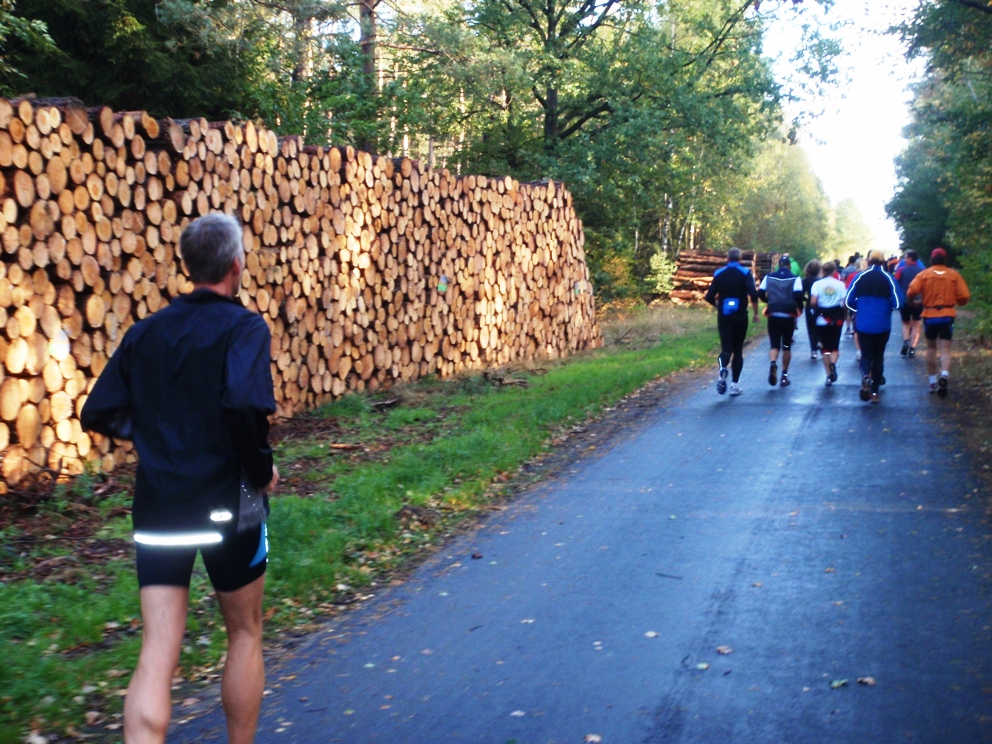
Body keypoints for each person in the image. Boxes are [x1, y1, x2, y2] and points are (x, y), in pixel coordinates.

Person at [81, 213, 279, 744]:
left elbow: (97, 411)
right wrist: (263, 471)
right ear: (237, 264)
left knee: (157, 648)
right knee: (245, 631)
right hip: (231, 504)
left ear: (188, 267)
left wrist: (157, 439)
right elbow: (243, 404)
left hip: (160, 505)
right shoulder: (246, 327)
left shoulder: (145, 332)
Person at [906, 247, 971, 397]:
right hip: (947, 314)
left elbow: (911, 291)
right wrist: (959, 302)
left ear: (931, 259)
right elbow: (965, 295)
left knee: (930, 348)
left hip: (929, 315)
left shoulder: (924, 274)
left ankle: (932, 382)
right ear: (945, 259)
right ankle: (945, 375)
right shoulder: (953, 275)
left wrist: (912, 301)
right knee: (945, 349)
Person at [845, 250, 901, 403]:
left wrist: (859, 308)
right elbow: (897, 302)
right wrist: (887, 306)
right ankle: (875, 393)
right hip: (882, 325)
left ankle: (865, 376)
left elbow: (848, 300)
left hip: (863, 324)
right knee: (878, 358)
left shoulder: (859, 277)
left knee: (866, 355)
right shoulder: (888, 278)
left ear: (869, 262)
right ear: (883, 262)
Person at [705, 247, 759, 396]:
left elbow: (709, 296)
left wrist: (718, 306)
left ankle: (722, 369)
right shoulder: (746, 273)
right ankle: (734, 385)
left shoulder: (719, 273)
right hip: (740, 315)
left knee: (726, 349)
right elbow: (753, 294)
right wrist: (755, 313)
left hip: (724, 316)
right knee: (738, 351)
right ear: (740, 259)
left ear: (727, 259)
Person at [758, 255, 804, 387]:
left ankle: (773, 363)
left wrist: (769, 302)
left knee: (774, 345)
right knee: (786, 346)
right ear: (789, 266)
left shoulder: (769, 277)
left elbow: (760, 293)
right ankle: (784, 376)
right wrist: (799, 307)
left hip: (773, 314)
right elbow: (798, 295)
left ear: (778, 265)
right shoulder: (795, 278)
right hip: (788, 314)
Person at [809, 261, 847, 386]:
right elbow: (844, 303)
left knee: (825, 348)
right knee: (835, 346)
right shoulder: (841, 284)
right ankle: (833, 365)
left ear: (823, 271)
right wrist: (844, 315)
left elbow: (813, 302)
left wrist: (817, 310)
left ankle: (828, 375)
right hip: (836, 318)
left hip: (822, 319)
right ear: (834, 271)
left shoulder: (817, 284)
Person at [894, 250, 926, 358]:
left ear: (910, 259)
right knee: (916, 325)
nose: (904, 259)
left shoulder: (901, 270)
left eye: (906, 258)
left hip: (905, 301)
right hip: (919, 301)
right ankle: (912, 348)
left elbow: (896, 284)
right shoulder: (923, 272)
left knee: (905, 323)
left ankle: (906, 341)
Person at [802, 259, 822, 360]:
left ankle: (813, 350)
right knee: (821, 326)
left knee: (811, 328)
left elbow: (800, 294)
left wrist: (806, 299)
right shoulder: (821, 280)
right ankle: (821, 342)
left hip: (810, 306)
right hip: (821, 306)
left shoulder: (805, 281)